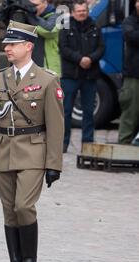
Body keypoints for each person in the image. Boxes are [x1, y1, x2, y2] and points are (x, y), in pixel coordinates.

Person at [0, 21, 64, 262]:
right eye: (6, 45)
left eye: (12, 44)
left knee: (24, 207)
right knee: (9, 212)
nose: (7, 49)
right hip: (4, 150)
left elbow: (56, 125)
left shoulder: (47, 80)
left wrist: (54, 164)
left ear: (28, 46)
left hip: (33, 151)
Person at [59, 0, 105, 153]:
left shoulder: (94, 25)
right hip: (70, 75)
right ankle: (63, 143)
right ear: (73, 13)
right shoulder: (65, 27)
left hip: (90, 75)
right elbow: (63, 48)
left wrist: (90, 59)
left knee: (88, 112)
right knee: (65, 111)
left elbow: (101, 47)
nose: (82, 13)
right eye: (79, 11)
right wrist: (80, 59)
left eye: (84, 11)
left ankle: (87, 144)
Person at [118, 0, 139, 145]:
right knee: (130, 112)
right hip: (134, 75)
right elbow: (132, 37)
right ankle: (124, 144)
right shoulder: (129, 21)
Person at [26, 0, 61, 75]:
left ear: (45, 3)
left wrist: (32, 17)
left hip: (48, 67)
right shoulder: (28, 16)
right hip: (30, 64)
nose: (33, 8)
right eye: (31, 6)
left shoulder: (57, 15)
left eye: (36, 5)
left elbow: (49, 31)